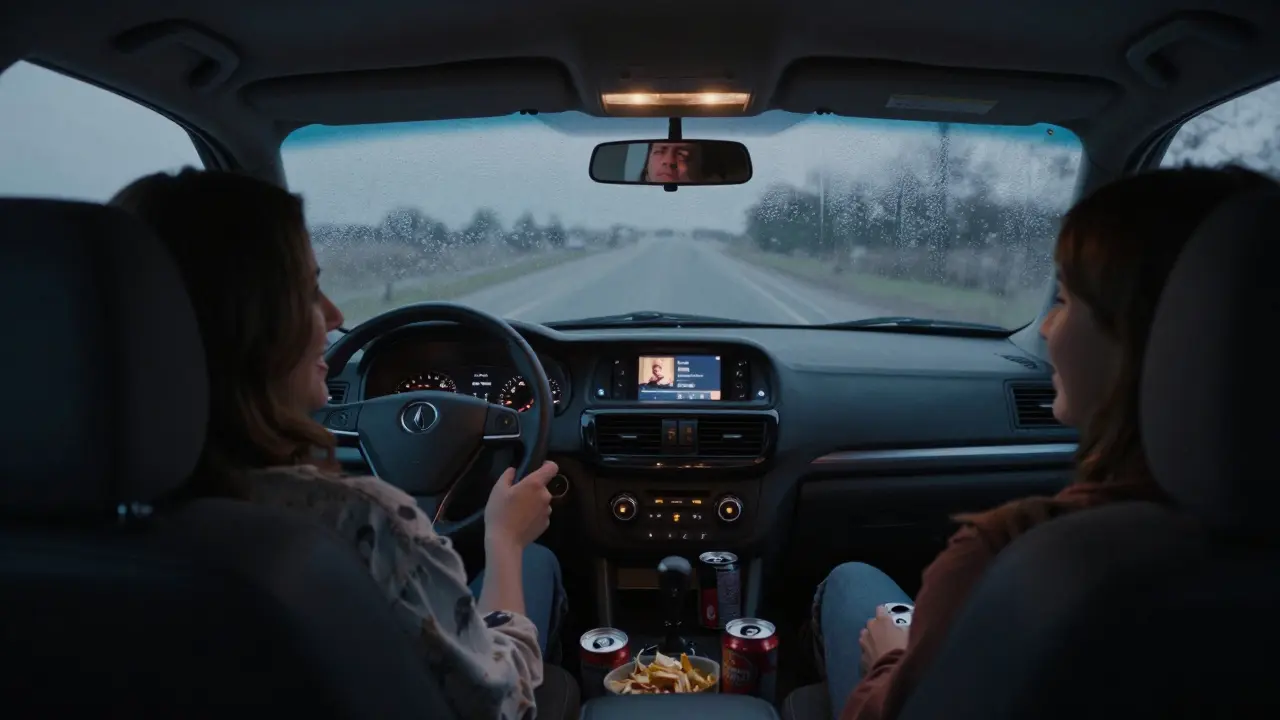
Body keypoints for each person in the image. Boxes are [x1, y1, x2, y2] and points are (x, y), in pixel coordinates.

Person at [809, 165, 1280, 720]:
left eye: (1063, 300)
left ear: (1146, 338)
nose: (1047, 329)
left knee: (851, 584)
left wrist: (891, 659)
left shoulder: (1013, 559)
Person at [110, 168, 567, 720]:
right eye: (309, 291)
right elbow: (501, 703)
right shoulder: (367, 522)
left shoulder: (60, 524)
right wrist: (504, 540)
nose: (335, 317)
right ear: (251, 325)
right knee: (536, 564)